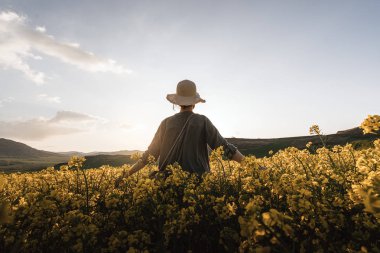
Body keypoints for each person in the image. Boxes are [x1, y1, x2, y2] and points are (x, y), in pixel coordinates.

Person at [119, 79, 244, 179]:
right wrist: (253, 167)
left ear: (177, 103)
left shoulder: (165, 123)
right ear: (194, 103)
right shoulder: (202, 121)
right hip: (197, 188)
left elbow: (147, 157)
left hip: (166, 188)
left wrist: (126, 175)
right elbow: (225, 148)